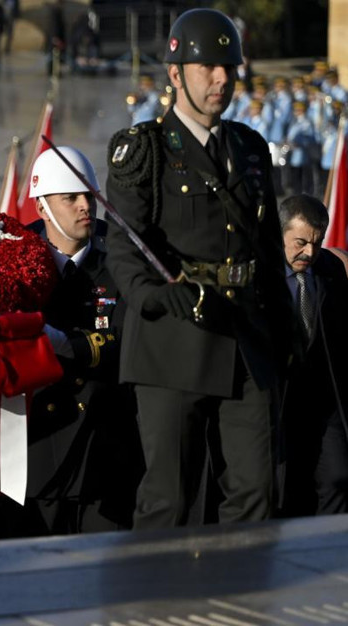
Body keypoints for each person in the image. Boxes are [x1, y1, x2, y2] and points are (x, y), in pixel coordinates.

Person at [105, 8, 292, 529]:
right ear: (174, 72)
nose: (221, 79)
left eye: (229, 67)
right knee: (170, 499)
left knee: (256, 492)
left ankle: (239, 603)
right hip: (174, 338)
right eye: (207, 67)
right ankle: (159, 606)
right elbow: (125, 246)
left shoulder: (249, 147)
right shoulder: (143, 149)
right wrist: (154, 295)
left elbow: (268, 247)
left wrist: (285, 328)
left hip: (248, 339)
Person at [24, 147, 141, 534]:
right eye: (69, 197)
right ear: (42, 207)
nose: (83, 206)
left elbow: (130, 336)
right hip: (41, 447)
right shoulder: (16, 257)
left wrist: (69, 345)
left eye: (88, 196)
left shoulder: (121, 255)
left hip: (105, 445)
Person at [277, 195, 348, 517]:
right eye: (301, 242)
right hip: (276, 400)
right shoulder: (261, 273)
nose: (309, 252)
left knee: (337, 478)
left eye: (317, 243)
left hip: (322, 399)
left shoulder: (331, 269)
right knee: (284, 487)